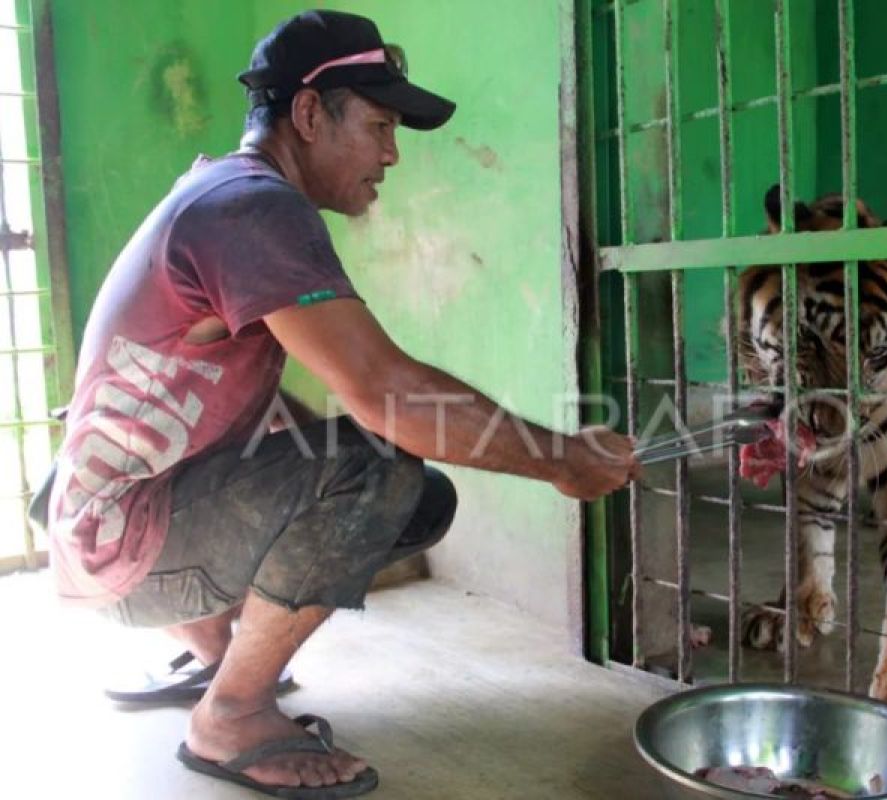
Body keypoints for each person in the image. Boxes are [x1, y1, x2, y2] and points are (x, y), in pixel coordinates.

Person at [41, 9, 639, 798]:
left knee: (403, 492)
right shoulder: (255, 210)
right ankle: (232, 714)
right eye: (381, 125)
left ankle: (213, 645)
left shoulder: (217, 191)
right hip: (123, 547)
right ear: (309, 113)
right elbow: (387, 392)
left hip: (88, 521)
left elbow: (242, 396)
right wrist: (563, 458)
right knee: (379, 471)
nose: (392, 154)